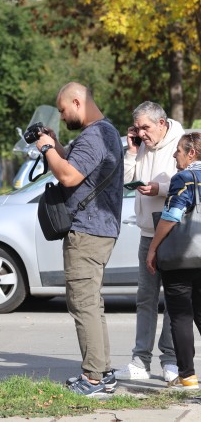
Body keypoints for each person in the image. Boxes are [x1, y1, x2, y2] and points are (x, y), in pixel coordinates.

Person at [36, 82, 124, 396]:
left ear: (77, 101)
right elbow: (72, 165)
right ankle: (104, 372)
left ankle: (94, 380)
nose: (62, 115)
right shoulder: (102, 133)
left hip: (88, 231)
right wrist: (55, 144)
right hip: (98, 229)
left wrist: (47, 150)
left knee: (83, 304)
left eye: (63, 110)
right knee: (92, 305)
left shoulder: (95, 134)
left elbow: (69, 176)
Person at [114, 102, 183, 382]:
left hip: (173, 232)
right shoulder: (140, 145)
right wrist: (131, 152)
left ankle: (170, 360)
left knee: (175, 300)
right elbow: (125, 179)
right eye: (138, 128)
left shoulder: (181, 143)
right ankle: (140, 361)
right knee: (145, 298)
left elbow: (187, 182)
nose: (142, 133)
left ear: (162, 123)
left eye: (146, 127)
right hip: (146, 232)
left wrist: (159, 188)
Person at [146, 132, 201, 390]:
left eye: (178, 150)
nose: (174, 154)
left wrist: (153, 248)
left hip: (181, 259)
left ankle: (188, 375)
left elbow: (171, 216)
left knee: (180, 316)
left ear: (192, 153)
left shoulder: (185, 178)